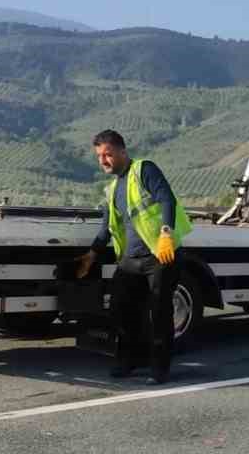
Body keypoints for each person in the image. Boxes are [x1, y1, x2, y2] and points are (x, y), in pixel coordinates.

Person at [74, 129, 193, 382]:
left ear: (122, 152)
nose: (103, 160)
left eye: (108, 154)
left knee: (159, 312)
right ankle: (129, 361)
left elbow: (166, 199)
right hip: (130, 260)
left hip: (159, 256)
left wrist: (166, 233)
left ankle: (160, 369)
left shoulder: (143, 170)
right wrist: (92, 255)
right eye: (99, 156)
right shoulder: (112, 189)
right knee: (121, 310)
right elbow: (107, 227)